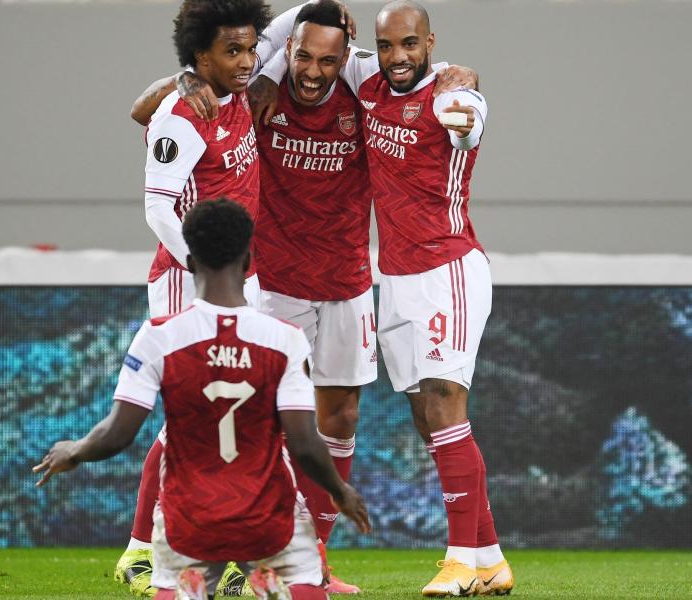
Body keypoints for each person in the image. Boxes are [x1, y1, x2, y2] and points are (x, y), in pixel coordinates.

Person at [130, 1, 478, 594]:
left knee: (339, 419)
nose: (314, 72)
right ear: (285, 48)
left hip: (346, 281)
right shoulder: (255, 87)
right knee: (239, 418)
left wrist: (460, 78)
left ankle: (308, 561)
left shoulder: (364, 83)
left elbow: (417, 67)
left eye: (328, 60)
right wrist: (190, 75)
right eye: (303, 56)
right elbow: (146, 110)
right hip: (268, 282)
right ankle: (166, 548)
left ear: (346, 60)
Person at [254, 0, 512, 596]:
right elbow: (297, 43)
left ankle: (461, 560)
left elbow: (469, 110)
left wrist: (466, 105)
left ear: (430, 44)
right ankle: (492, 557)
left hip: (448, 267)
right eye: (388, 45)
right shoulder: (362, 77)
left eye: (411, 45)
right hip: (393, 277)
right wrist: (269, 74)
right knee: (426, 415)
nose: (399, 57)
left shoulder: (452, 96)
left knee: (447, 405)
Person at [34, 198, 371, 600]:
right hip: (266, 520)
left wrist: (73, 450)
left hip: (189, 522)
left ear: (189, 261)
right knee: (302, 582)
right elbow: (303, 442)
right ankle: (276, 580)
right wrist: (339, 490)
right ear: (249, 259)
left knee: (180, 579)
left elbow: (117, 433)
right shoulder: (284, 340)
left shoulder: (158, 336)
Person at [118, 1, 275, 596]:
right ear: (198, 57)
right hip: (192, 281)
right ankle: (151, 552)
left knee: (227, 417)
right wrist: (203, 266)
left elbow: (295, 27)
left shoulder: (235, 93)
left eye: (249, 49)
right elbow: (158, 206)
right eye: (230, 52)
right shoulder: (183, 116)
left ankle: (181, 548)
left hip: (238, 278)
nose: (245, 61)